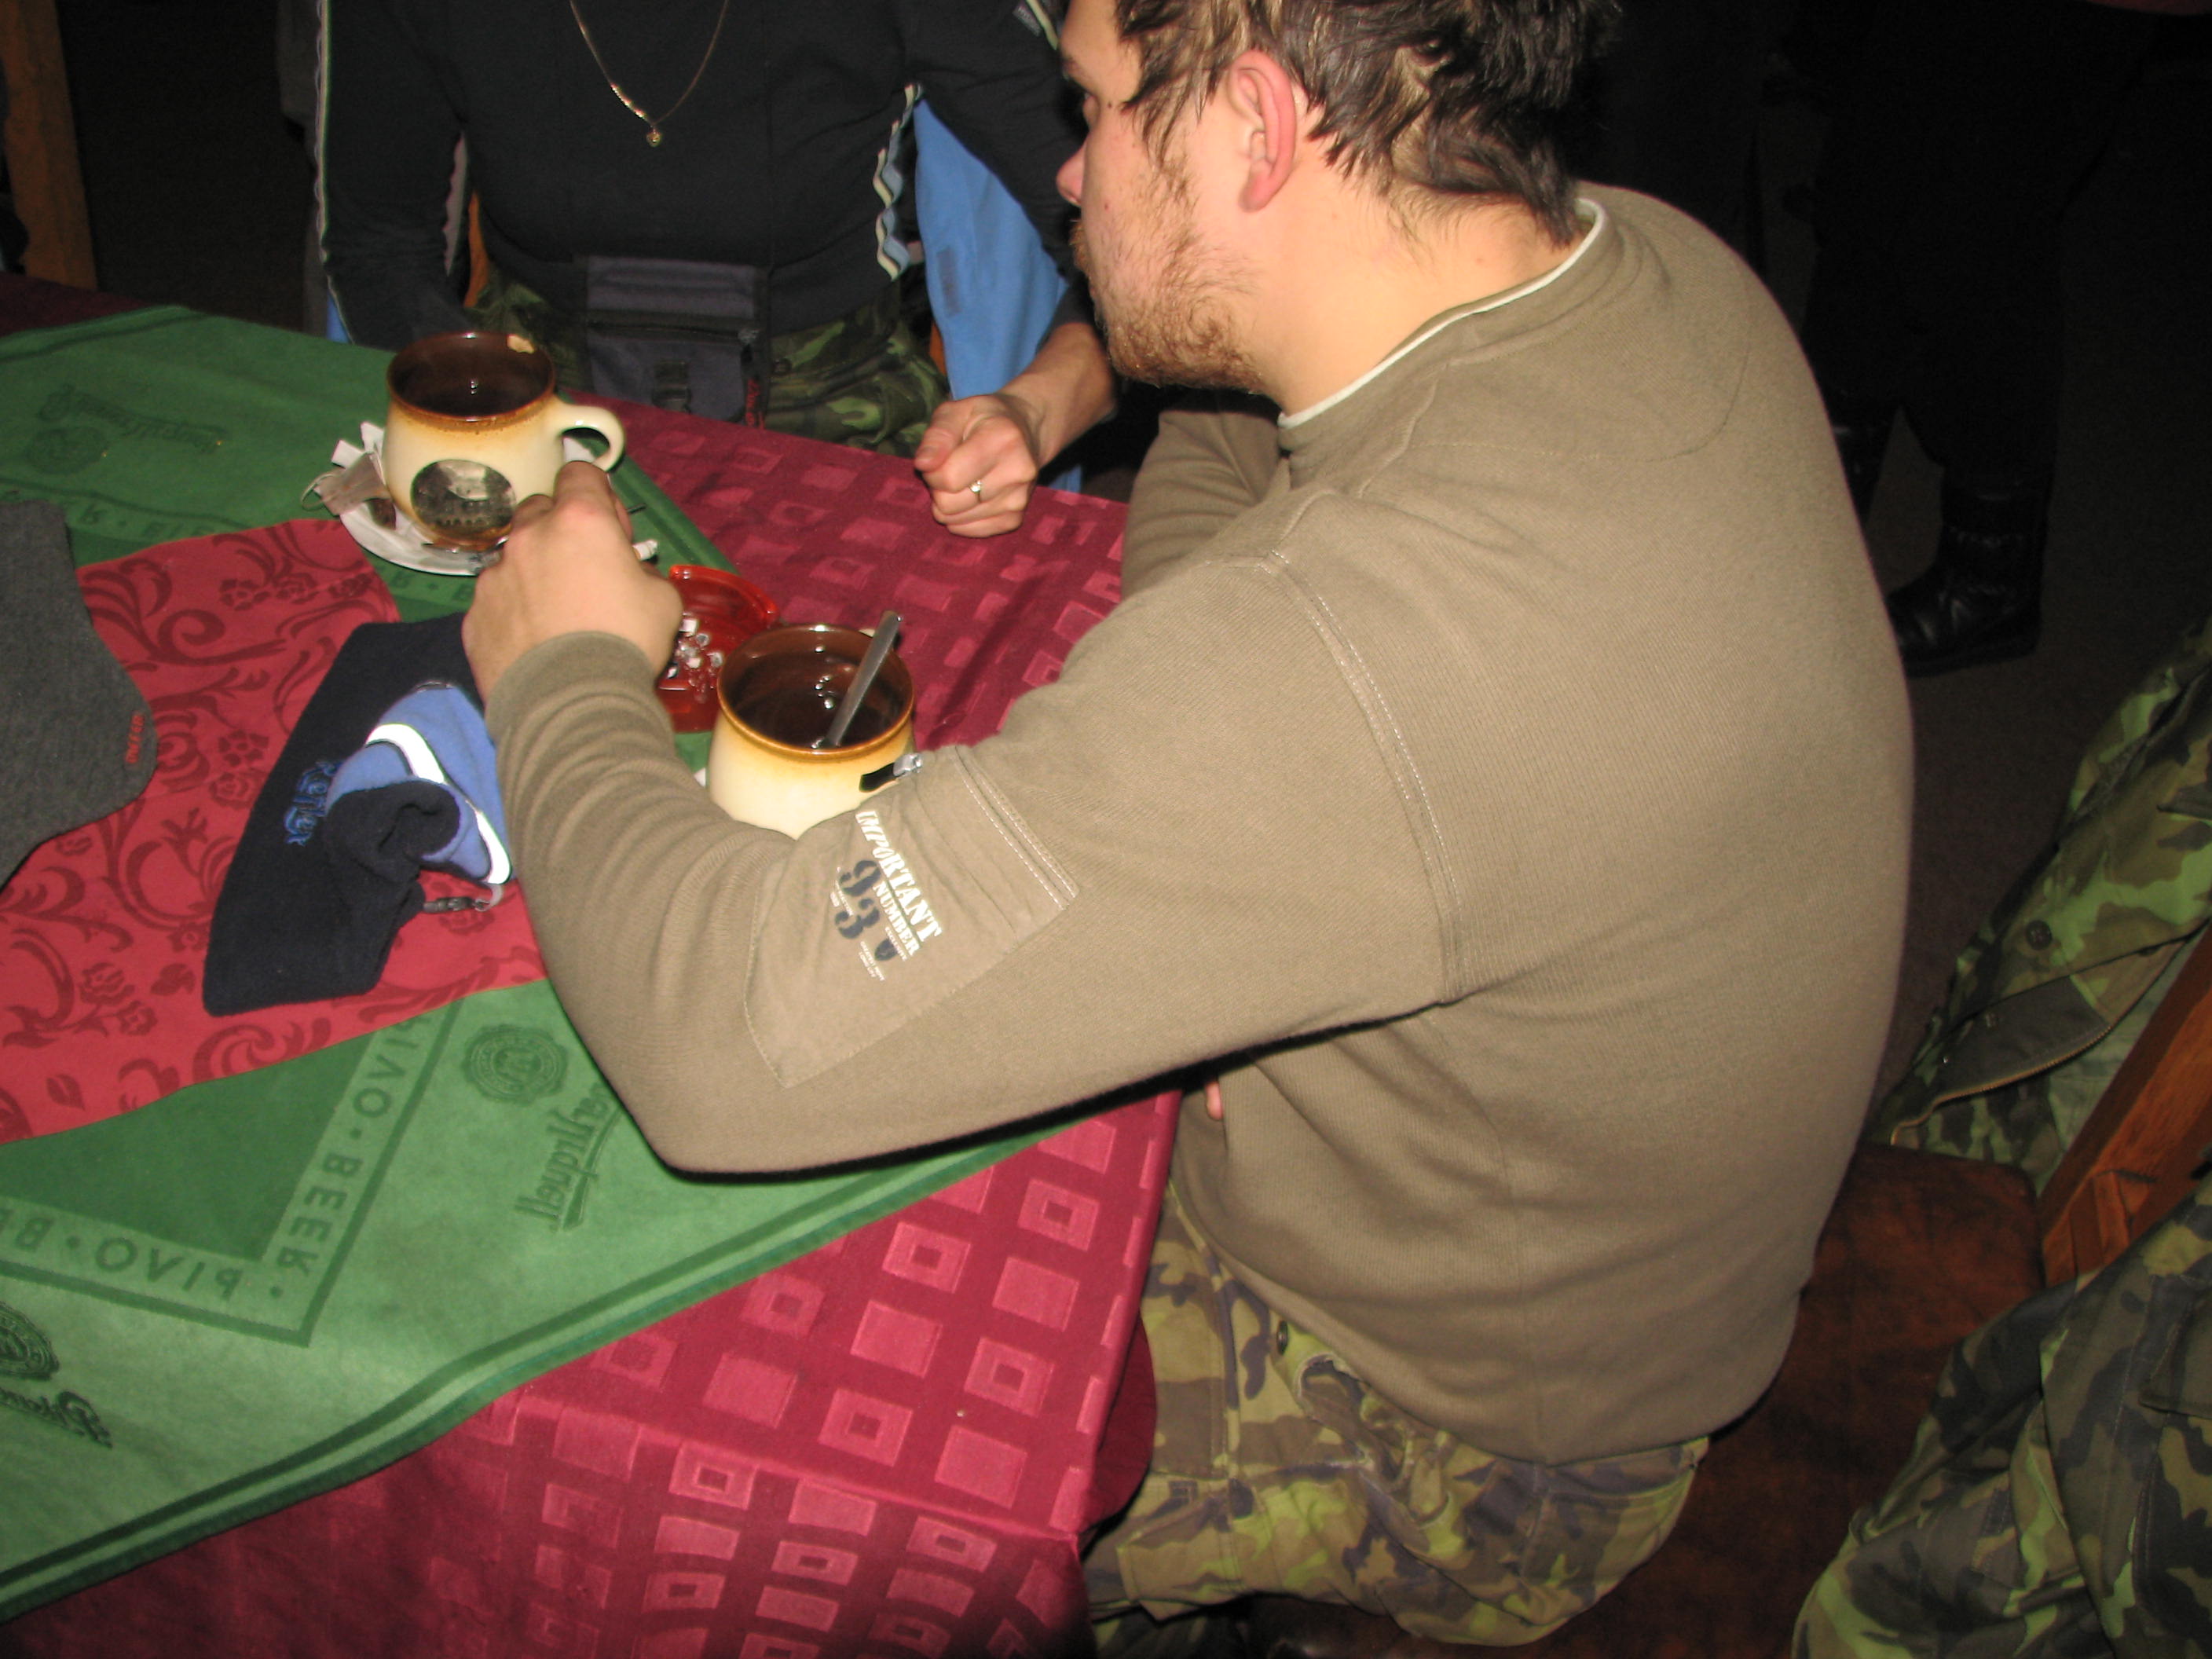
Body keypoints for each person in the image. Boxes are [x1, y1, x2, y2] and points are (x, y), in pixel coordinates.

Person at [461, 0, 1913, 1643]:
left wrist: (564, 670)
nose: (1068, 173)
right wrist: (1219, 794)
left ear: (1258, 129)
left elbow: (714, 1042)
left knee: (696, 1431)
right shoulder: (1643, 261)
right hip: (1565, 1238)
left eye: (1091, 106)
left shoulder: (1353, 658)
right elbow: (1234, 441)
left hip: (1464, 1434)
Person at [320, 0, 1114, 537]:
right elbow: (378, 244)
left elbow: (1135, 248)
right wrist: (466, 420)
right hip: (529, 410)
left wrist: (1033, 411)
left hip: (838, 426)